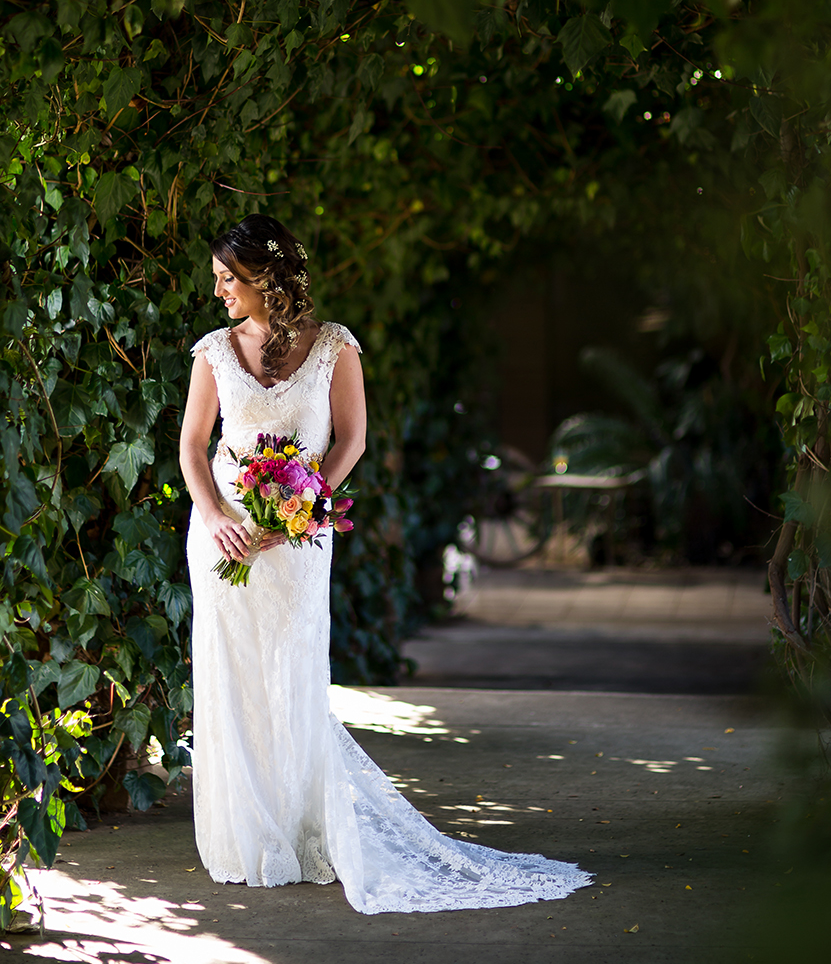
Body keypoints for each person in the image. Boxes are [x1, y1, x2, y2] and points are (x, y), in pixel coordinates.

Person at [177, 212, 588, 912]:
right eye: (217, 279)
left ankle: (307, 831)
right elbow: (192, 445)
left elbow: (352, 441)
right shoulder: (213, 351)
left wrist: (300, 513)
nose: (218, 291)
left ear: (268, 280)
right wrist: (216, 515)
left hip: (300, 536)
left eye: (229, 280)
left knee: (295, 673)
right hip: (224, 539)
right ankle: (245, 838)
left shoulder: (335, 346)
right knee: (231, 674)